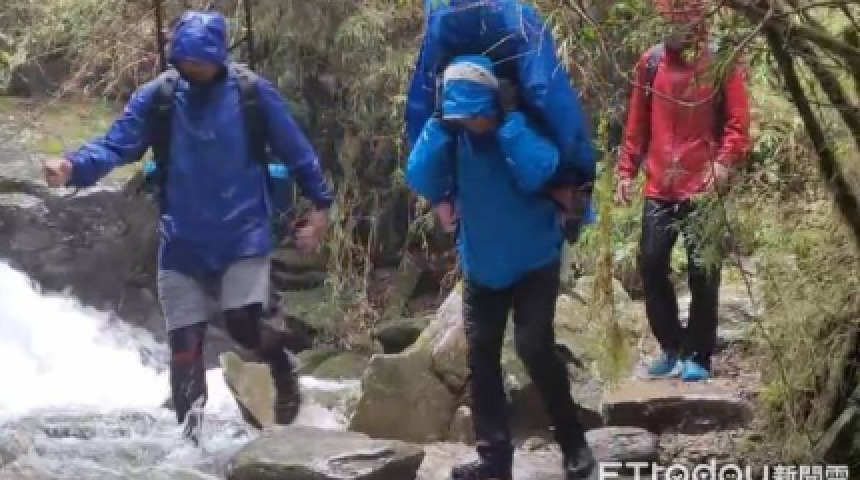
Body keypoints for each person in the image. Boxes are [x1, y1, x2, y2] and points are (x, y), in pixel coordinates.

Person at [42, 11, 333, 442]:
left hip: (243, 234)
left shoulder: (252, 94)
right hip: (181, 240)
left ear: (219, 59)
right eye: (186, 63)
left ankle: (281, 369)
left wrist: (321, 207)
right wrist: (73, 167)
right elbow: (115, 145)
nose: (193, 70)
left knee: (242, 324)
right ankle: (190, 449)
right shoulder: (158, 97)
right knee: (184, 347)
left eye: (201, 64)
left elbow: (297, 151)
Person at [406, 55, 596, 480]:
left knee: (534, 347)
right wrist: (438, 123)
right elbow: (420, 176)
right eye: (462, 116)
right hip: (482, 265)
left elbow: (539, 171)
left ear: (495, 102)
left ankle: (573, 443)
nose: (471, 123)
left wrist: (508, 123)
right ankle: (494, 460)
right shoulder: (452, 136)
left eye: (476, 114)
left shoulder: (516, 128)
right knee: (483, 358)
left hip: (535, 259)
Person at [614, 2, 750, 382]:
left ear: (696, 20)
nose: (673, 25)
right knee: (651, 264)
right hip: (660, 184)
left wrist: (722, 163)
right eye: (667, 18)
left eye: (680, 17)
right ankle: (671, 346)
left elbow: (738, 123)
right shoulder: (651, 62)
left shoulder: (720, 61)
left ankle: (699, 355)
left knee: (702, 270)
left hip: (703, 185)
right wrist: (626, 170)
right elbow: (637, 122)